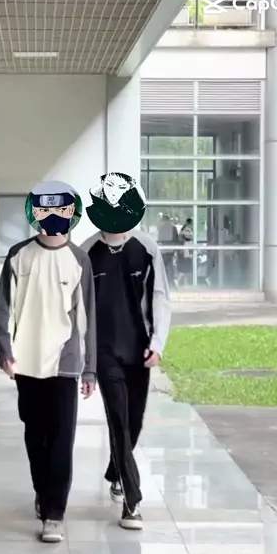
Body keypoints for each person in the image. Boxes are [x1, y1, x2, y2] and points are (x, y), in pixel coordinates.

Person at [0, 180, 96, 544]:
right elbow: (3, 308)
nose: (53, 217)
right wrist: (5, 351)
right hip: (26, 363)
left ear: (71, 214)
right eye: (46, 210)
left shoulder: (79, 260)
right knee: (35, 436)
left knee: (61, 440)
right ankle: (43, 491)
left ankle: (55, 513)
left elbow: (87, 317)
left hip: (65, 364)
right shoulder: (18, 256)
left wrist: (90, 368)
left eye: (61, 210)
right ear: (35, 214)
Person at [81, 178, 171, 531]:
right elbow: (78, 309)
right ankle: (132, 502)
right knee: (118, 421)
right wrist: (85, 361)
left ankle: (115, 469)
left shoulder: (146, 248)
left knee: (134, 422)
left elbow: (160, 297)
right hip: (104, 352)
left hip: (139, 350)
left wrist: (157, 343)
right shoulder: (87, 253)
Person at [157, 214, 179, 286]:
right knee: (169, 266)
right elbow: (176, 239)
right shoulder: (172, 228)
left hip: (163, 250)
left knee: (164, 266)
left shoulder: (161, 228)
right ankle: (170, 282)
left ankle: (164, 282)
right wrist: (175, 249)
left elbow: (159, 239)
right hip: (170, 250)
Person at [177, 217, 193, 286]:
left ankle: (185, 283)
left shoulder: (184, 229)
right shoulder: (186, 230)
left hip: (184, 251)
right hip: (184, 251)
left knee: (186, 270)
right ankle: (178, 282)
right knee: (184, 270)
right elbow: (189, 237)